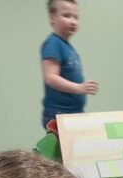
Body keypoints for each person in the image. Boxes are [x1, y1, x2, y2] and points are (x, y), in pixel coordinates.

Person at [41, 0, 97, 128]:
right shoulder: (53, 43)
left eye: (76, 17)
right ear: (52, 18)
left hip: (72, 112)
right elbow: (50, 77)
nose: (73, 21)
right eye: (66, 15)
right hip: (59, 113)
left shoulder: (67, 47)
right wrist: (79, 88)